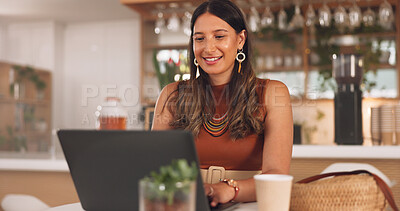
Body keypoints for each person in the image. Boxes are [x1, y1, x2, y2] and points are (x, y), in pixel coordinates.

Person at [152, 0, 293, 207]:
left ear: (240, 40)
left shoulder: (272, 93)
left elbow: (276, 176)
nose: (208, 48)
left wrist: (228, 189)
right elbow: (154, 168)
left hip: (246, 205)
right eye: (200, 39)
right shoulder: (171, 94)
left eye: (219, 36)